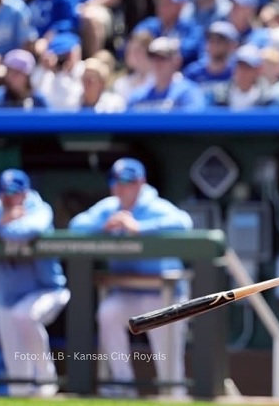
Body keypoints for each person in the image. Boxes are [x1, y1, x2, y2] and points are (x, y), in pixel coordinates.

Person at [68, 158, 193, 398]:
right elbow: (76, 226)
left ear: (140, 183)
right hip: (126, 293)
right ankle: (123, 385)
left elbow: (184, 223)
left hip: (163, 295)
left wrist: (139, 227)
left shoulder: (155, 206)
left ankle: (172, 392)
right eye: (116, 182)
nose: (120, 187)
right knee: (108, 313)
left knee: (169, 370)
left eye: (127, 182)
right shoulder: (109, 207)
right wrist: (103, 226)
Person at [0, 169, 69, 396]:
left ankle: (46, 380)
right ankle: (22, 393)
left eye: (14, 193)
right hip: (5, 298)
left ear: (25, 193)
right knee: (17, 382)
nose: (8, 198)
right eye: (3, 193)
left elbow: (28, 230)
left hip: (47, 291)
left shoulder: (39, 207)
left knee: (24, 315)